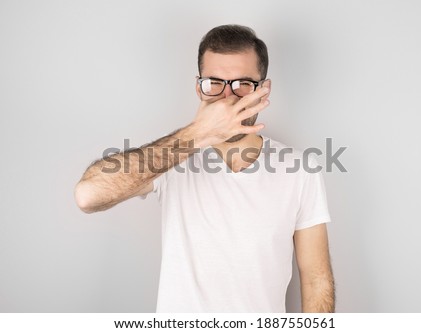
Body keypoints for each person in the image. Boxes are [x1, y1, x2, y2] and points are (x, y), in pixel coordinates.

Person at [74, 24, 335, 313]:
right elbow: (88, 196)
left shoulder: (300, 170)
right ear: (199, 88)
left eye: (242, 84)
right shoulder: (171, 157)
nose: (227, 99)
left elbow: (315, 278)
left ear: (263, 90)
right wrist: (196, 134)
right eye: (214, 83)